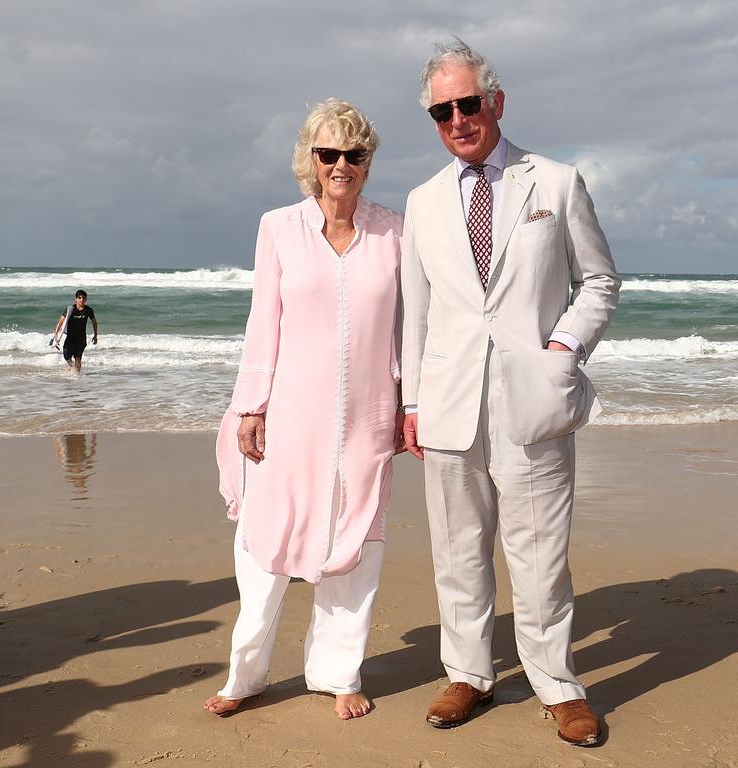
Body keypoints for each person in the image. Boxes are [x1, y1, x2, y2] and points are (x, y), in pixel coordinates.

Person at [400, 40, 620, 746]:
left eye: (468, 103)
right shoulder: (422, 201)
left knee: (539, 555)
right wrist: (408, 403)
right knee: (459, 550)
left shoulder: (554, 182)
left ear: (496, 101)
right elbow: (417, 310)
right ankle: (469, 674)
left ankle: (557, 683)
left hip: (534, 398)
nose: (458, 118)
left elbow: (600, 282)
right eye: (443, 110)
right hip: (447, 402)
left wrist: (563, 349)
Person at [208, 99, 405, 721]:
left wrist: (410, 403)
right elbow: (263, 318)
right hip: (290, 412)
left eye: (354, 154)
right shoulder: (278, 227)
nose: (341, 164)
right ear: (311, 162)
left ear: (368, 162)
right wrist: (250, 406)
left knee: (357, 541)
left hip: (368, 415)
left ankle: (336, 673)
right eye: (329, 153)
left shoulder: (396, 233)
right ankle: (246, 675)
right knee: (267, 542)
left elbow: (410, 328)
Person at [53, 289, 98, 373]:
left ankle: (76, 377)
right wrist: (56, 334)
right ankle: (71, 367)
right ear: (76, 299)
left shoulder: (88, 310)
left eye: (84, 298)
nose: (82, 300)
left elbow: (94, 322)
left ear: (86, 299)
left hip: (81, 338)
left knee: (78, 358)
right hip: (70, 338)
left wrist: (95, 335)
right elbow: (60, 322)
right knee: (66, 355)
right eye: (80, 298)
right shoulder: (70, 309)